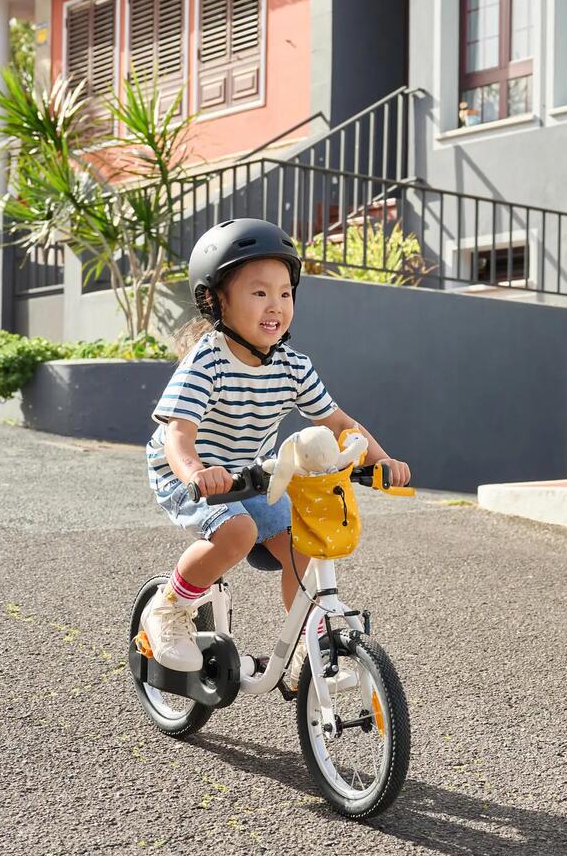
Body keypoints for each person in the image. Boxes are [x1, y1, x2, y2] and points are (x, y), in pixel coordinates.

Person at [138, 219, 410, 671]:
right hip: (186, 473)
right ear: (215, 300)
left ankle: (307, 641)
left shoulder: (292, 365)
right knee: (238, 532)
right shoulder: (207, 360)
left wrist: (381, 462)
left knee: (306, 536)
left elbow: (340, 422)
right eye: (259, 292)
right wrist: (195, 474)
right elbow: (177, 434)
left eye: (285, 293)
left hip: (254, 474)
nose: (276, 305)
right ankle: (167, 608)